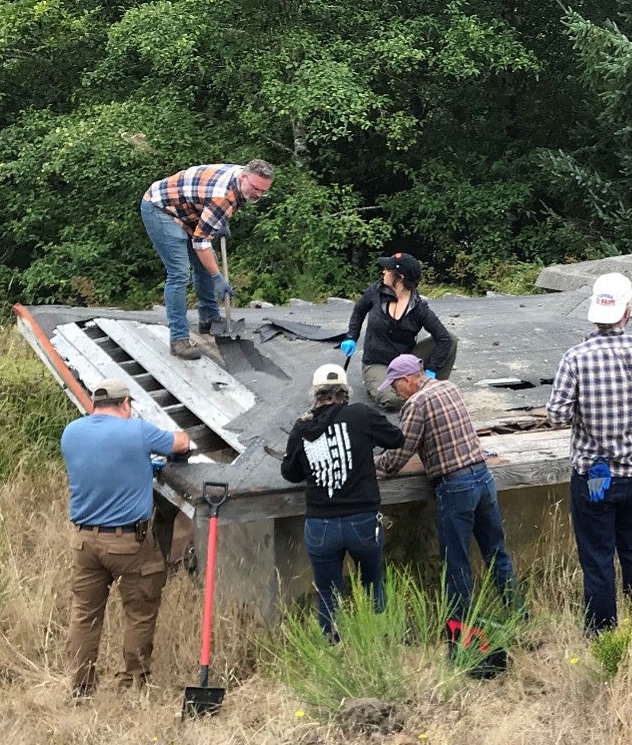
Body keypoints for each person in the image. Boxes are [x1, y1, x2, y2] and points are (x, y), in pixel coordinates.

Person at [545, 272, 632, 635]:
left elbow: (556, 416)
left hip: (593, 479)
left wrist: (585, 410)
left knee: (597, 559)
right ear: (628, 311)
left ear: (594, 313)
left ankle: (602, 634)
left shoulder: (575, 358)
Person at [61, 377, 192, 699]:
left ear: (95, 404)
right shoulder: (137, 431)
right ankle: (132, 684)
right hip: (129, 542)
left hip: (84, 541)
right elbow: (181, 443)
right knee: (140, 610)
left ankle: (81, 686)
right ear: (125, 404)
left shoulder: (72, 432)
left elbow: (105, 463)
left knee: (85, 615)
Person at [373, 353, 519, 619]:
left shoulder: (416, 404)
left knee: (456, 562)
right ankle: (518, 613)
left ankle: (462, 626)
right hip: (482, 477)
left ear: (407, 380)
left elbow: (397, 457)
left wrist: (371, 463)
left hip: (456, 485)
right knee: (497, 552)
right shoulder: (449, 387)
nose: (396, 392)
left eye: (395, 385)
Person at [280, 364, 404, 643]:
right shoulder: (360, 414)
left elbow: (290, 473)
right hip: (362, 519)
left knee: (327, 591)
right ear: (344, 392)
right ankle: (378, 644)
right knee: (372, 584)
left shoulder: (302, 426)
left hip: (321, 523)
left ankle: (331, 647)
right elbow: (396, 438)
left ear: (316, 394)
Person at [141, 159, 274, 360]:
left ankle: (209, 320)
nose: (258, 194)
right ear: (244, 177)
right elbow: (201, 242)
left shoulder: (239, 178)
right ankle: (179, 340)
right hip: (160, 208)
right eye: (255, 188)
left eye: (264, 191)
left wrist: (220, 222)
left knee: (205, 262)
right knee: (179, 273)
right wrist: (217, 277)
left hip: (189, 211)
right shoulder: (223, 197)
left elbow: (211, 206)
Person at [339, 252, 458, 412]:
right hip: (378, 362)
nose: (383, 272)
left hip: (406, 360)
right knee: (391, 399)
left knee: (451, 339)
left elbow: (444, 338)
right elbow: (359, 310)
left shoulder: (418, 307)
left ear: (400, 278)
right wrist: (351, 336)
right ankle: (423, 395)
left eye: (387, 270)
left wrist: (432, 370)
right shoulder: (376, 290)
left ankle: (432, 388)